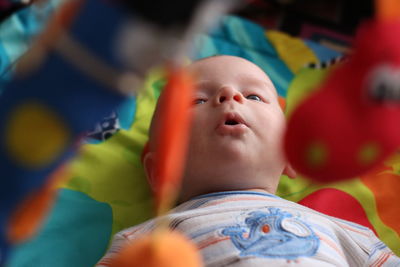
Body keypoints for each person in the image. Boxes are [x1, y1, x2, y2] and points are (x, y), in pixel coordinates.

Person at [96, 55, 400, 266]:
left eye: (253, 96)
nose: (229, 95)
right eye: (197, 100)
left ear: (291, 152)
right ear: (160, 171)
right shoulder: (152, 238)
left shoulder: (342, 229)